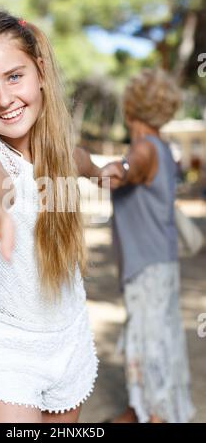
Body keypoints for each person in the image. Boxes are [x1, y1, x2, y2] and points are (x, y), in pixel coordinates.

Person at [0, 11, 99, 423]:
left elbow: (80, 160)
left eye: (14, 77)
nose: (4, 99)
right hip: (3, 342)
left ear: (41, 71)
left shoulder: (60, 152)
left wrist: (105, 172)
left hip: (69, 330)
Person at [100, 68, 195, 423]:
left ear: (130, 108)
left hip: (148, 268)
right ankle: (138, 409)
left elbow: (129, 168)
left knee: (148, 342)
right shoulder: (162, 149)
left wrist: (113, 170)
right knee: (159, 337)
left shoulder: (143, 149)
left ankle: (155, 415)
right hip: (161, 262)